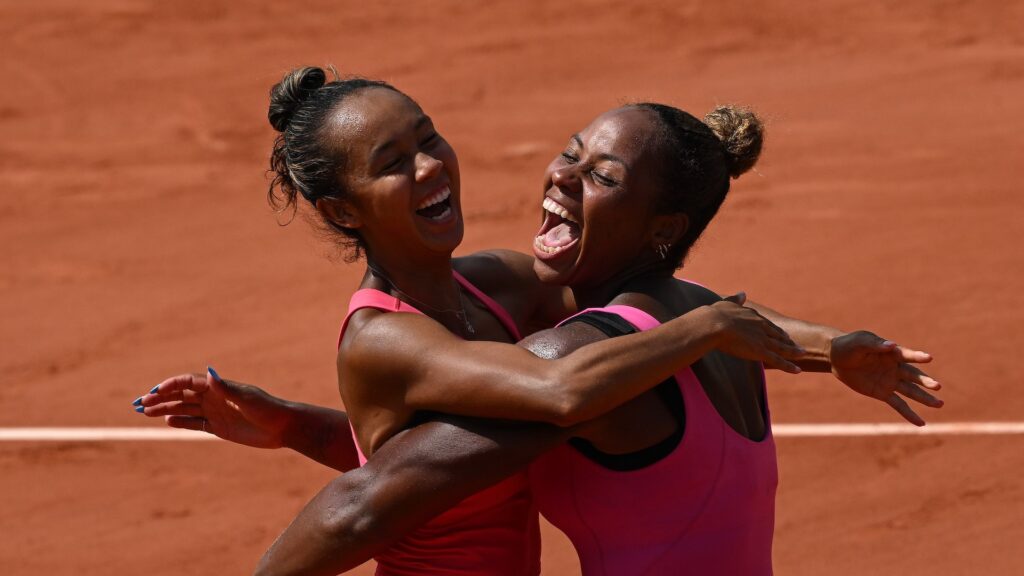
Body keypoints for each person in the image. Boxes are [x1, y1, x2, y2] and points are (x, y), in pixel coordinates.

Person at [135, 68, 941, 575]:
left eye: (426, 138)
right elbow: (542, 401)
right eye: (392, 164)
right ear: (345, 211)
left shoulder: (497, 286)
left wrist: (830, 347)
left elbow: (437, 444)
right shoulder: (386, 337)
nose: (429, 165)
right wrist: (712, 330)